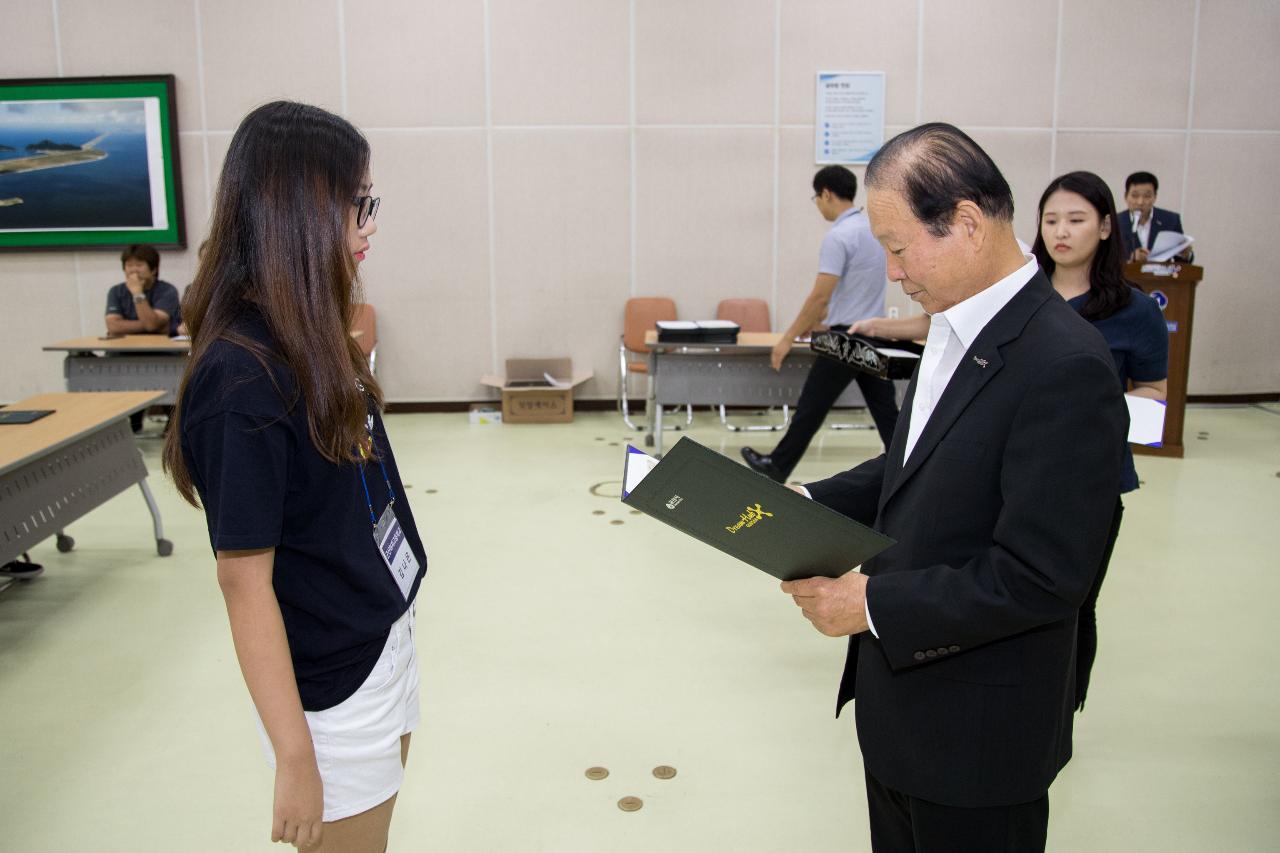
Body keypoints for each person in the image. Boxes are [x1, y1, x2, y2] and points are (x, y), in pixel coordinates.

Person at [779, 123, 1128, 853]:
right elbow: (918, 463)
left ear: (967, 223)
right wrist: (810, 503)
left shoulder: (1065, 365)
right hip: (903, 714)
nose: (894, 271)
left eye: (900, 247)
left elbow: (1041, 577)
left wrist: (869, 602)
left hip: (979, 739)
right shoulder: (955, 326)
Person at [163, 101, 419, 853]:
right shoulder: (241, 377)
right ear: (301, 210)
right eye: (358, 203)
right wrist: (296, 757)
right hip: (331, 685)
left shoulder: (307, 329)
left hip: (376, 632)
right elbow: (243, 583)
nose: (370, 223)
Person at [1033, 170, 1168, 708]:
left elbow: (1154, 392)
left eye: (1076, 219)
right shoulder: (1020, 296)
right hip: (1012, 471)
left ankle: (1063, 708)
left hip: (1090, 481)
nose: (1060, 232)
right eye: (1050, 220)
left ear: (1107, 227)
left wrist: (1100, 417)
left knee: (1075, 602)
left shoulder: (1135, 311)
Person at [741, 166, 899, 483]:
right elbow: (851, 291)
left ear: (826, 193)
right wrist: (819, 321)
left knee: (812, 405)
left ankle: (777, 467)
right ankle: (908, 465)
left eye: (816, 197)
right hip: (873, 334)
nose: (817, 204)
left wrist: (786, 339)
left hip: (846, 339)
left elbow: (819, 296)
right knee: (886, 412)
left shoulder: (839, 236)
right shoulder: (873, 231)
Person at [104, 244, 182, 337]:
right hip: (122, 348)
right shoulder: (116, 291)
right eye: (129, 265)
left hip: (159, 348)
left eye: (139, 265)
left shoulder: (167, 290)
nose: (133, 270)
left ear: (153, 270)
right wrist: (156, 326)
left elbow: (151, 324)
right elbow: (113, 326)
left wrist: (137, 293)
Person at [1117, 171, 1193, 262]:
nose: (1140, 202)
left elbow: (1181, 262)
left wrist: (1185, 254)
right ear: (1126, 197)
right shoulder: (1115, 223)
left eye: (1147, 196)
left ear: (1155, 197)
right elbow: (1106, 259)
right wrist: (1130, 258)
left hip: (1160, 276)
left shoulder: (1171, 220)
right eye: (1135, 196)